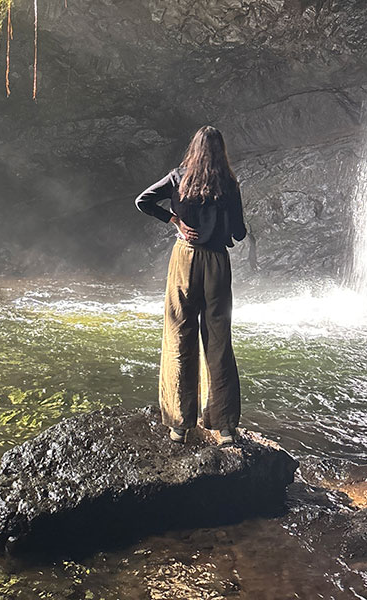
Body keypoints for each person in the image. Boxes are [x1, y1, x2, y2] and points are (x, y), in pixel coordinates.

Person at [134, 125, 247, 445]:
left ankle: (179, 425)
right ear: (221, 152)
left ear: (193, 150)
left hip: (184, 259)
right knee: (218, 339)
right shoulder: (228, 185)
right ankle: (224, 426)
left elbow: (143, 201)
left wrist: (175, 220)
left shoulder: (177, 178)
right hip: (216, 263)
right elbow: (238, 234)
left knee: (179, 334)